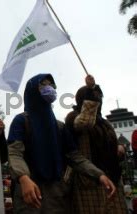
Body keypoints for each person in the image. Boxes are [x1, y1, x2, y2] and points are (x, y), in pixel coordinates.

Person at [8, 74, 116, 214]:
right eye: (44, 85)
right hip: (29, 192)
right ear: (32, 90)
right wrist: (23, 177)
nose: (50, 89)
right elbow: (14, 152)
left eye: (52, 86)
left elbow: (74, 156)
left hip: (57, 195)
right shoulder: (22, 121)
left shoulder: (59, 127)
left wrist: (99, 175)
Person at [65, 75, 127, 213]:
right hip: (88, 182)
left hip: (111, 180)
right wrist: (90, 89)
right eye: (95, 96)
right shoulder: (73, 117)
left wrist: (119, 149)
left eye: (99, 97)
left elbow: (111, 147)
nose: (98, 99)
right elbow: (86, 121)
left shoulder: (105, 124)